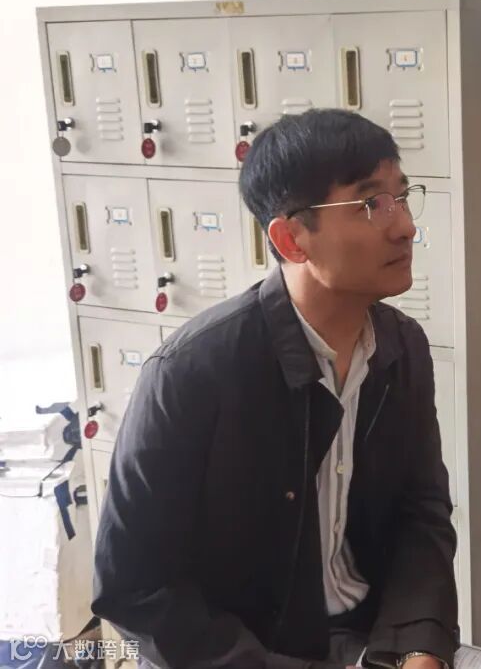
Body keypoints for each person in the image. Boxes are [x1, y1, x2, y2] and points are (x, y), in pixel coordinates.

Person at [93, 109, 457, 669]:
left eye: (402, 197)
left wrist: (417, 646)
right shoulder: (191, 371)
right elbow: (134, 586)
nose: (404, 225)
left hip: (367, 639)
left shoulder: (401, 346)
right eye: (370, 203)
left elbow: (421, 513)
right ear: (291, 239)